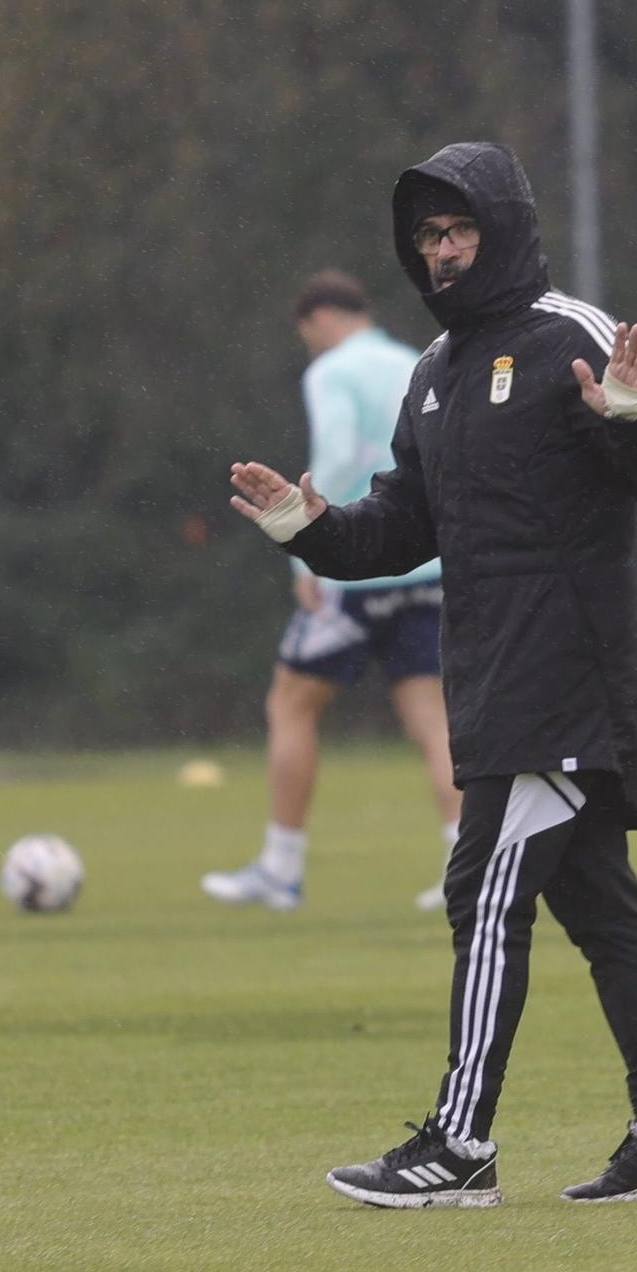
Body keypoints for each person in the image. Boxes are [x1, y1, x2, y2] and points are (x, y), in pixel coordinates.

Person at [229, 142, 637, 1207]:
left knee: (482, 892)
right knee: (598, 908)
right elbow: (399, 525)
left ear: (501, 227)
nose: (443, 252)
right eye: (427, 239)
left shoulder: (572, 337)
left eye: (457, 231)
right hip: (492, 676)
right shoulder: (435, 372)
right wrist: (303, 524)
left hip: (564, 680)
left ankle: (458, 1146)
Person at [202, 270, 458, 913]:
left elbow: (338, 454)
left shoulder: (332, 370)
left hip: (356, 563)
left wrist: (312, 555)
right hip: (425, 565)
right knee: (433, 720)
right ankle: (466, 863)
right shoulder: (416, 360)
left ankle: (281, 868)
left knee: (291, 705)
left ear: (317, 319)